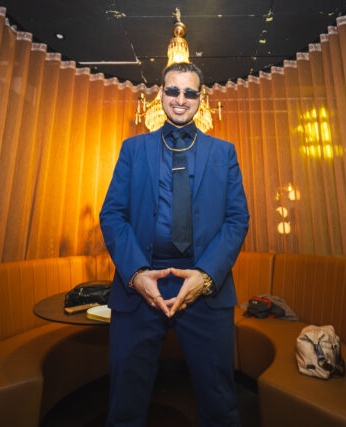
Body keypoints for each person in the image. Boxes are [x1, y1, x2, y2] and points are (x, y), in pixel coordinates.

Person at [99, 62, 249, 427]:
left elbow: (237, 219)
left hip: (203, 287)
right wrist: (136, 274)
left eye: (189, 92)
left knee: (220, 403)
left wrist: (205, 276)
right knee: (124, 404)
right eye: (172, 91)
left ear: (201, 98)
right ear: (160, 94)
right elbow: (112, 215)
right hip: (140, 287)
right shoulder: (132, 149)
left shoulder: (224, 152)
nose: (180, 99)